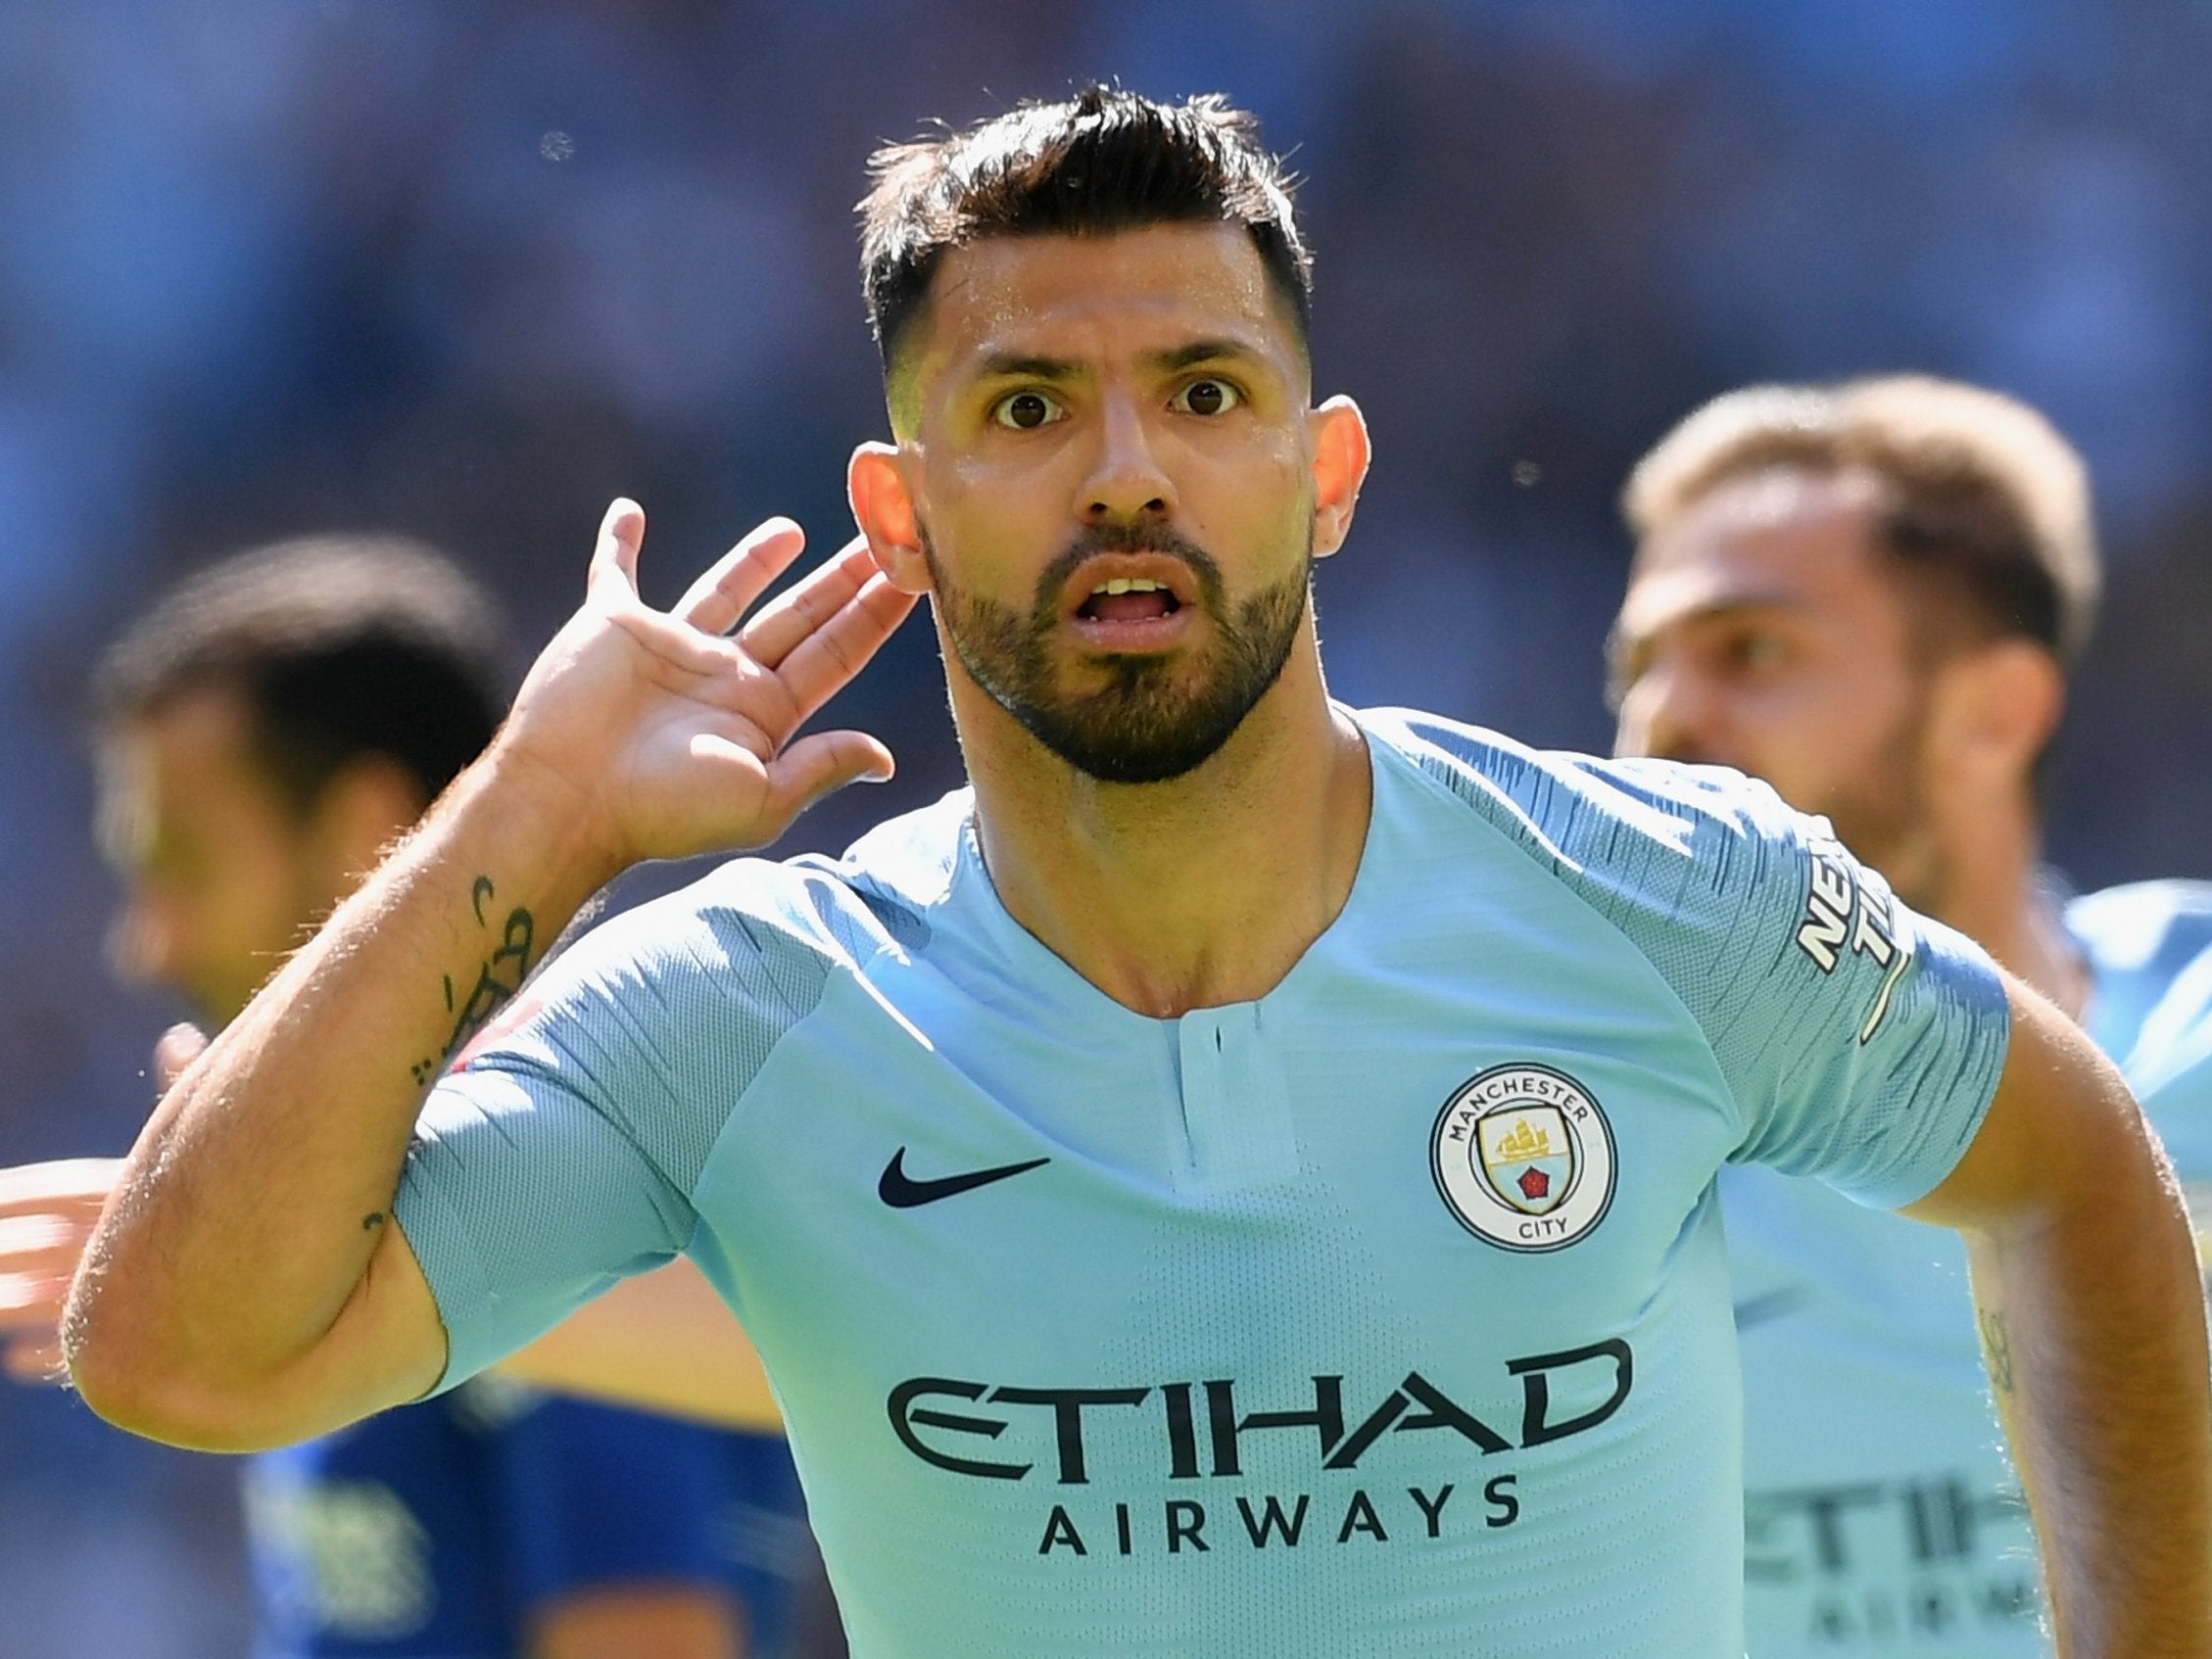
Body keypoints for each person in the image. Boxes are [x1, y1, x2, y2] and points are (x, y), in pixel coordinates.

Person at [57, 89, 2212, 1657]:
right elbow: (191, 1360)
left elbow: (2073, 1162)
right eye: (1023, 408)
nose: (1122, 475)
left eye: (1201, 392)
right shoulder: (739, 1008)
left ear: (1324, 468)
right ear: (894, 514)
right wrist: (523, 822)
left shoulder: (1660, 897)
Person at [0, 538, 815, 1659]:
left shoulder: (562, 1168)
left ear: (359, 827)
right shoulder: (352, 1193)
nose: (146, 942)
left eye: (183, 862)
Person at [1608, 374, 2212, 1656]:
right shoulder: (1574, 1146)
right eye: (1638, 667)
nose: (1659, 720)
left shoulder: (2195, 1047)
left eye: (1750, 650)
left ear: (1991, 712)